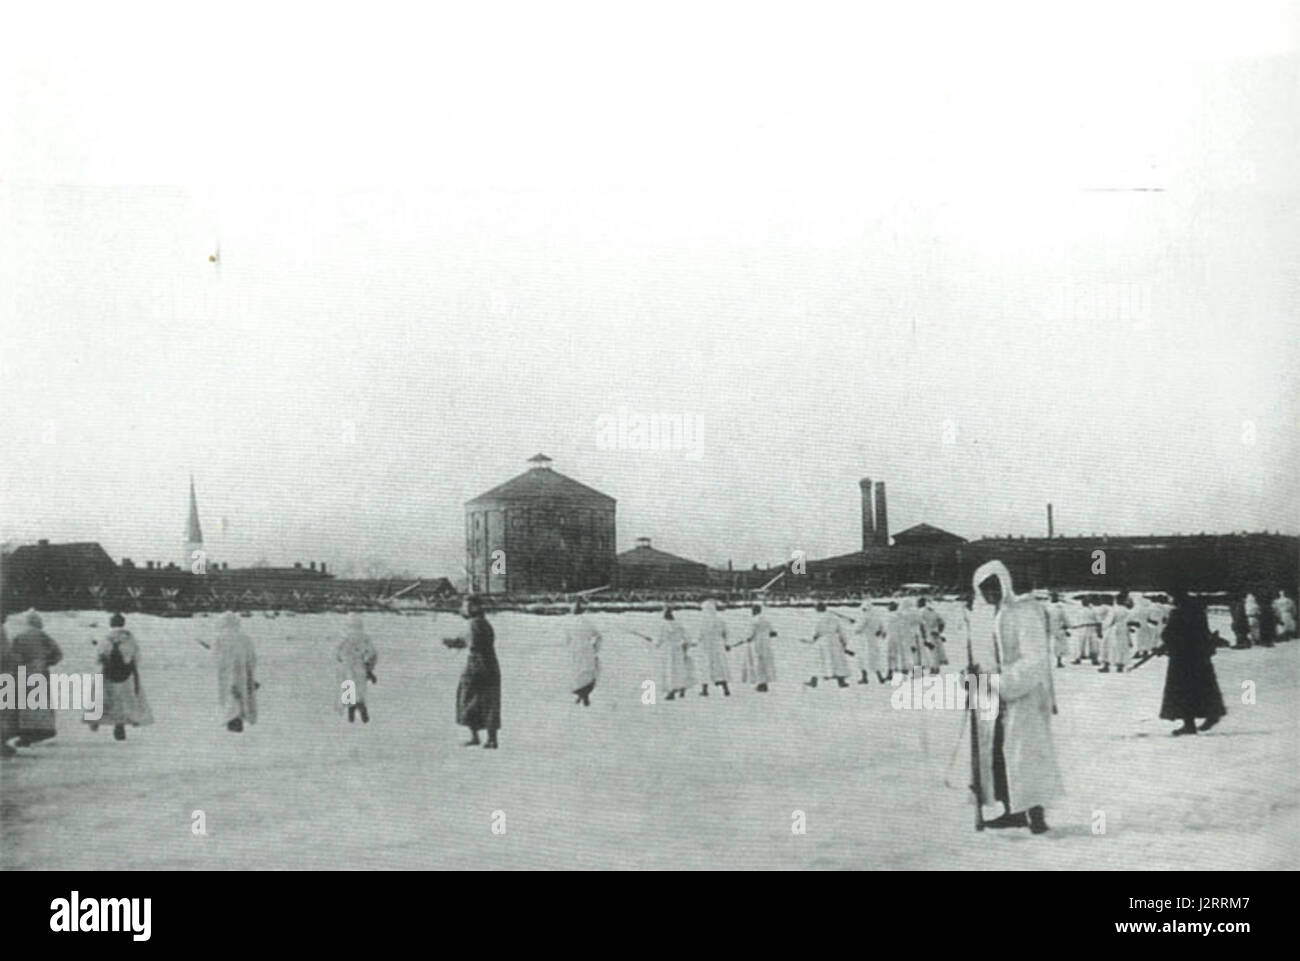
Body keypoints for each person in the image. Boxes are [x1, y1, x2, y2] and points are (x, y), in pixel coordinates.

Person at [968, 561, 1062, 835]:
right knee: (998, 754)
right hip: (995, 700)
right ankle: (1013, 810)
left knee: (1025, 755)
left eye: (995, 586)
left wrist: (1000, 682)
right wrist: (975, 677)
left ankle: (1036, 815)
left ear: (1005, 583)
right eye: (984, 589)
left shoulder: (1023, 614)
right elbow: (985, 659)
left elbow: (1034, 660)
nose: (991, 593)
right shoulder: (987, 619)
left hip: (1024, 698)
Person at [1157, 586, 1226, 735]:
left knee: (1182, 690)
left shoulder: (1177, 613)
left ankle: (1189, 724)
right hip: (1199, 656)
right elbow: (1202, 633)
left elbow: (1170, 634)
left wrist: (1164, 645)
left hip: (1182, 658)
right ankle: (1212, 713)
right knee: (1204, 687)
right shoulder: (1198, 612)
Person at [87, 613, 154, 741]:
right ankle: (121, 724)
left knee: (103, 697)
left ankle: (95, 720)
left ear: (111, 623)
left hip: (108, 673)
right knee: (123, 700)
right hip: (126, 674)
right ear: (123, 623)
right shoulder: (130, 639)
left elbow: (97, 659)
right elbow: (137, 657)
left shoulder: (105, 639)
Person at [6, 610, 63, 749]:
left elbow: (13, 656)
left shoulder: (19, 636)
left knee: (25, 704)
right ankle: (43, 730)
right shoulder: (44, 637)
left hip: (23, 673)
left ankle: (25, 733)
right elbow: (58, 654)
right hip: (41, 672)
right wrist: (46, 662)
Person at [449, 596, 500, 748]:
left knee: (470, 699)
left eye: (466, 606)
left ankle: (481, 737)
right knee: (486, 701)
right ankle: (488, 738)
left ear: (474, 607)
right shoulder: (481, 623)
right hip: (487, 665)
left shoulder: (475, 623)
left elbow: (473, 643)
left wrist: (454, 643)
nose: (463, 609)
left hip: (478, 665)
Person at [215, 612, 258, 732]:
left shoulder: (220, 638)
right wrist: (250, 673)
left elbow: (216, 658)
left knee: (230, 699)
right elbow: (253, 658)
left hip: (226, 675)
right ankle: (239, 721)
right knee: (241, 697)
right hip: (243, 674)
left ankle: (231, 723)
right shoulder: (245, 638)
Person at [335, 613, 378, 724]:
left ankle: (350, 716)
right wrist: (369, 669)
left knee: (348, 690)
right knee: (360, 691)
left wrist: (343, 660)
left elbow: (337, 654)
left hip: (346, 667)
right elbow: (372, 654)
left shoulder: (343, 637)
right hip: (360, 667)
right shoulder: (365, 638)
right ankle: (363, 712)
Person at [802, 601, 850, 688]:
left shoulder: (817, 618)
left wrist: (808, 640)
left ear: (817, 609)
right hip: (835, 641)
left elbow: (814, 632)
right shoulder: (834, 617)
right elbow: (841, 631)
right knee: (837, 661)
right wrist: (844, 642)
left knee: (818, 661)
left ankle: (814, 681)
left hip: (823, 641)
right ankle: (841, 681)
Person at [565, 599, 602, 707]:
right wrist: (595, 648)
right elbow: (599, 636)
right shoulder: (587, 623)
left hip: (575, 650)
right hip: (587, 649)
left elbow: (567, 640)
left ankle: (581, 694)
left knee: (577, 671)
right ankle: (585, 695)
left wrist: (571, 647)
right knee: (588, 671)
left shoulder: (569, 623)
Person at [656, 605, 694, 700]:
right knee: (680, 669)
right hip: (678, 649)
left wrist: (653, 642)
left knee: (670, 670)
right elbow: (688, 639)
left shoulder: (663, 625)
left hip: (668, 650)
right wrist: (685, 648)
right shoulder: (679, 624)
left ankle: (671, 691)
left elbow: (658, 641)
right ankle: (682, 688)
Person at [694, 599, 731, 696]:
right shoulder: (720, 620)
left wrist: (695, 643)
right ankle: (725, 689)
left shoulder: (703, 621)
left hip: (706, 646)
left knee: (705, 667)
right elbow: (726, 633)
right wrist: (726, 644)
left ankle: (705, 690)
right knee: (720, 667)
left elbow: (699, 635)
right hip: (718, 646)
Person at [737, 603, 777, 692]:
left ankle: (761, 684)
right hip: (766, 644)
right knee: (766, 663)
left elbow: (750, 635)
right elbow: (773, 633)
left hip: (757, 644)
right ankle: (765, 683)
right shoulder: (766, 620)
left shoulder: (753, 620)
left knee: (758, 663)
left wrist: (744, 639)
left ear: (754, 611)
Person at [853, 599, 887, 684]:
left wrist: (854, 624)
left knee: (862, 659)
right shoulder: (877, 616)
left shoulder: (864, 616)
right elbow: (882, 629)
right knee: (875, 659)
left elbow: (857, 629)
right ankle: (880, 677)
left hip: (864, 641)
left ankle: (864, 678)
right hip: (873, 640)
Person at [1099, 592, 1133, 673]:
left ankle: (1106, 665)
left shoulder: (1114, 610)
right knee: (1121, 647)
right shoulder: (1127, 611)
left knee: (1109, 646)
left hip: (1114, 630)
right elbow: (1129, 622)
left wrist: (1103, 628)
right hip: (1124, 630)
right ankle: (1120, 665)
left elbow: (1109, 621)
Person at [917, 596, 947, 673]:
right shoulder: (934, 612)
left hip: (926, 633)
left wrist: (923, 636)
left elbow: (920, 624)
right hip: (935, 633)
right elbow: (942, 623)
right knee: (935, 651)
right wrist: (939, 631)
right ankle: (936, 669)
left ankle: (932, 669)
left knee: (928, 652)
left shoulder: (920, 612)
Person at [1046, 592, 1069, 668]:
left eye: (1055, 596)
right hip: (1047, 627)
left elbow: (1065, 618)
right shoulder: (1046, 606)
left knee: (1059, 645)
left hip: (1057, 627)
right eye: (1052, 596)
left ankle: (1058, 661)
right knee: (1046, 645)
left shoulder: (1060, 607)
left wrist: (1066, 627)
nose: (1053, 598)